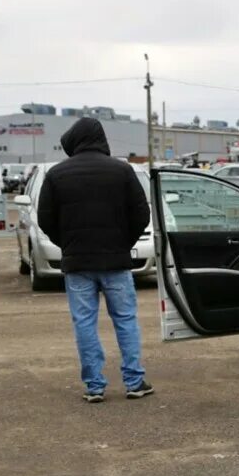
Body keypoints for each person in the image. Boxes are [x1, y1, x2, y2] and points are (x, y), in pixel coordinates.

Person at [37, 117, 153, 403]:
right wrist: (123, 244)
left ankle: (94, 386)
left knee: (84, 323)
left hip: (78, 264)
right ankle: (134, 382)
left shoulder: (57, 174)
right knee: (125, 320)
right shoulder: (122, 171)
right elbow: (141, 214)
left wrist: (68, 245)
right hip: (116, 262)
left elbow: (45, 219)